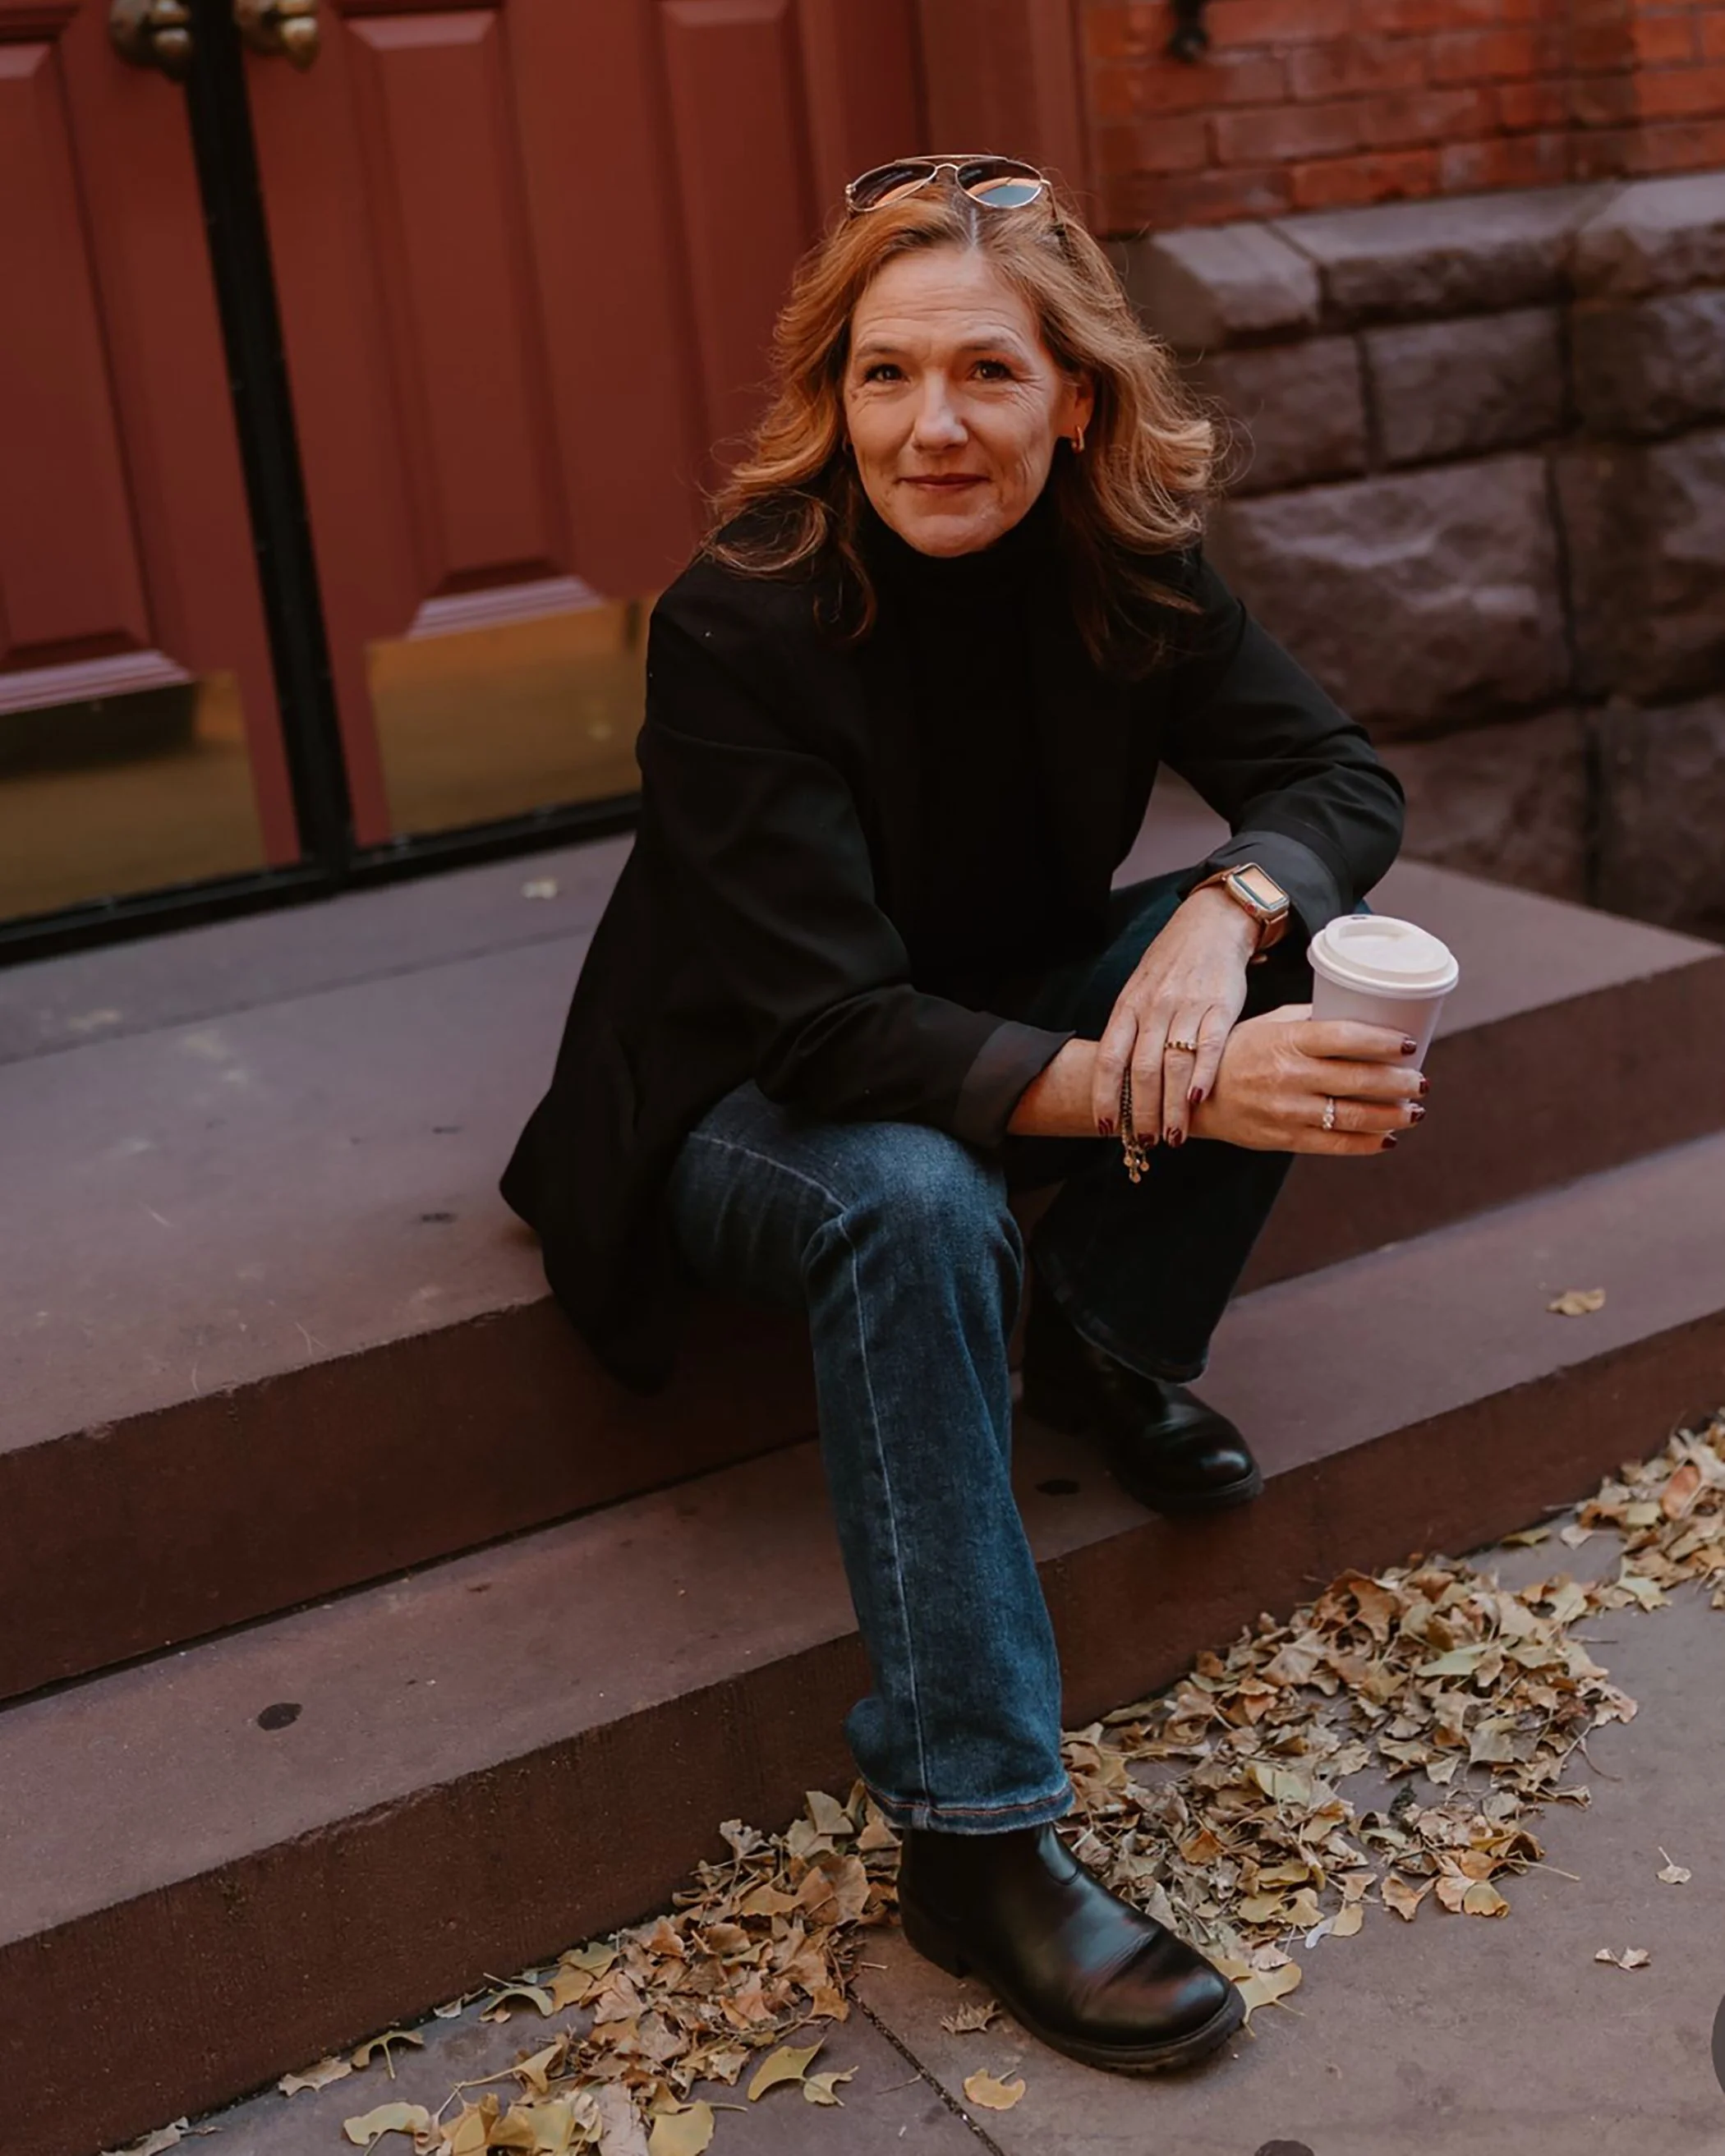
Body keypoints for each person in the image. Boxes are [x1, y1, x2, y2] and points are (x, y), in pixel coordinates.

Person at [503, 154, 1423, 2076]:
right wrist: (1189, 1083)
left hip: (986, 1014)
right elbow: (832, 1030)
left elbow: (1333, 777)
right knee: (917, 1199)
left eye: (987, 373)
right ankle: (977, 1838)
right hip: (743, 1095)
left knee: (1285, 945)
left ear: (1072, 397)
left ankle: (1094, 1335)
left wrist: (1227, 915)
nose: (934, 425)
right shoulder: (741, 619)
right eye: (887, 375)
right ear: (835, 398)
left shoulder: (1127, 564)